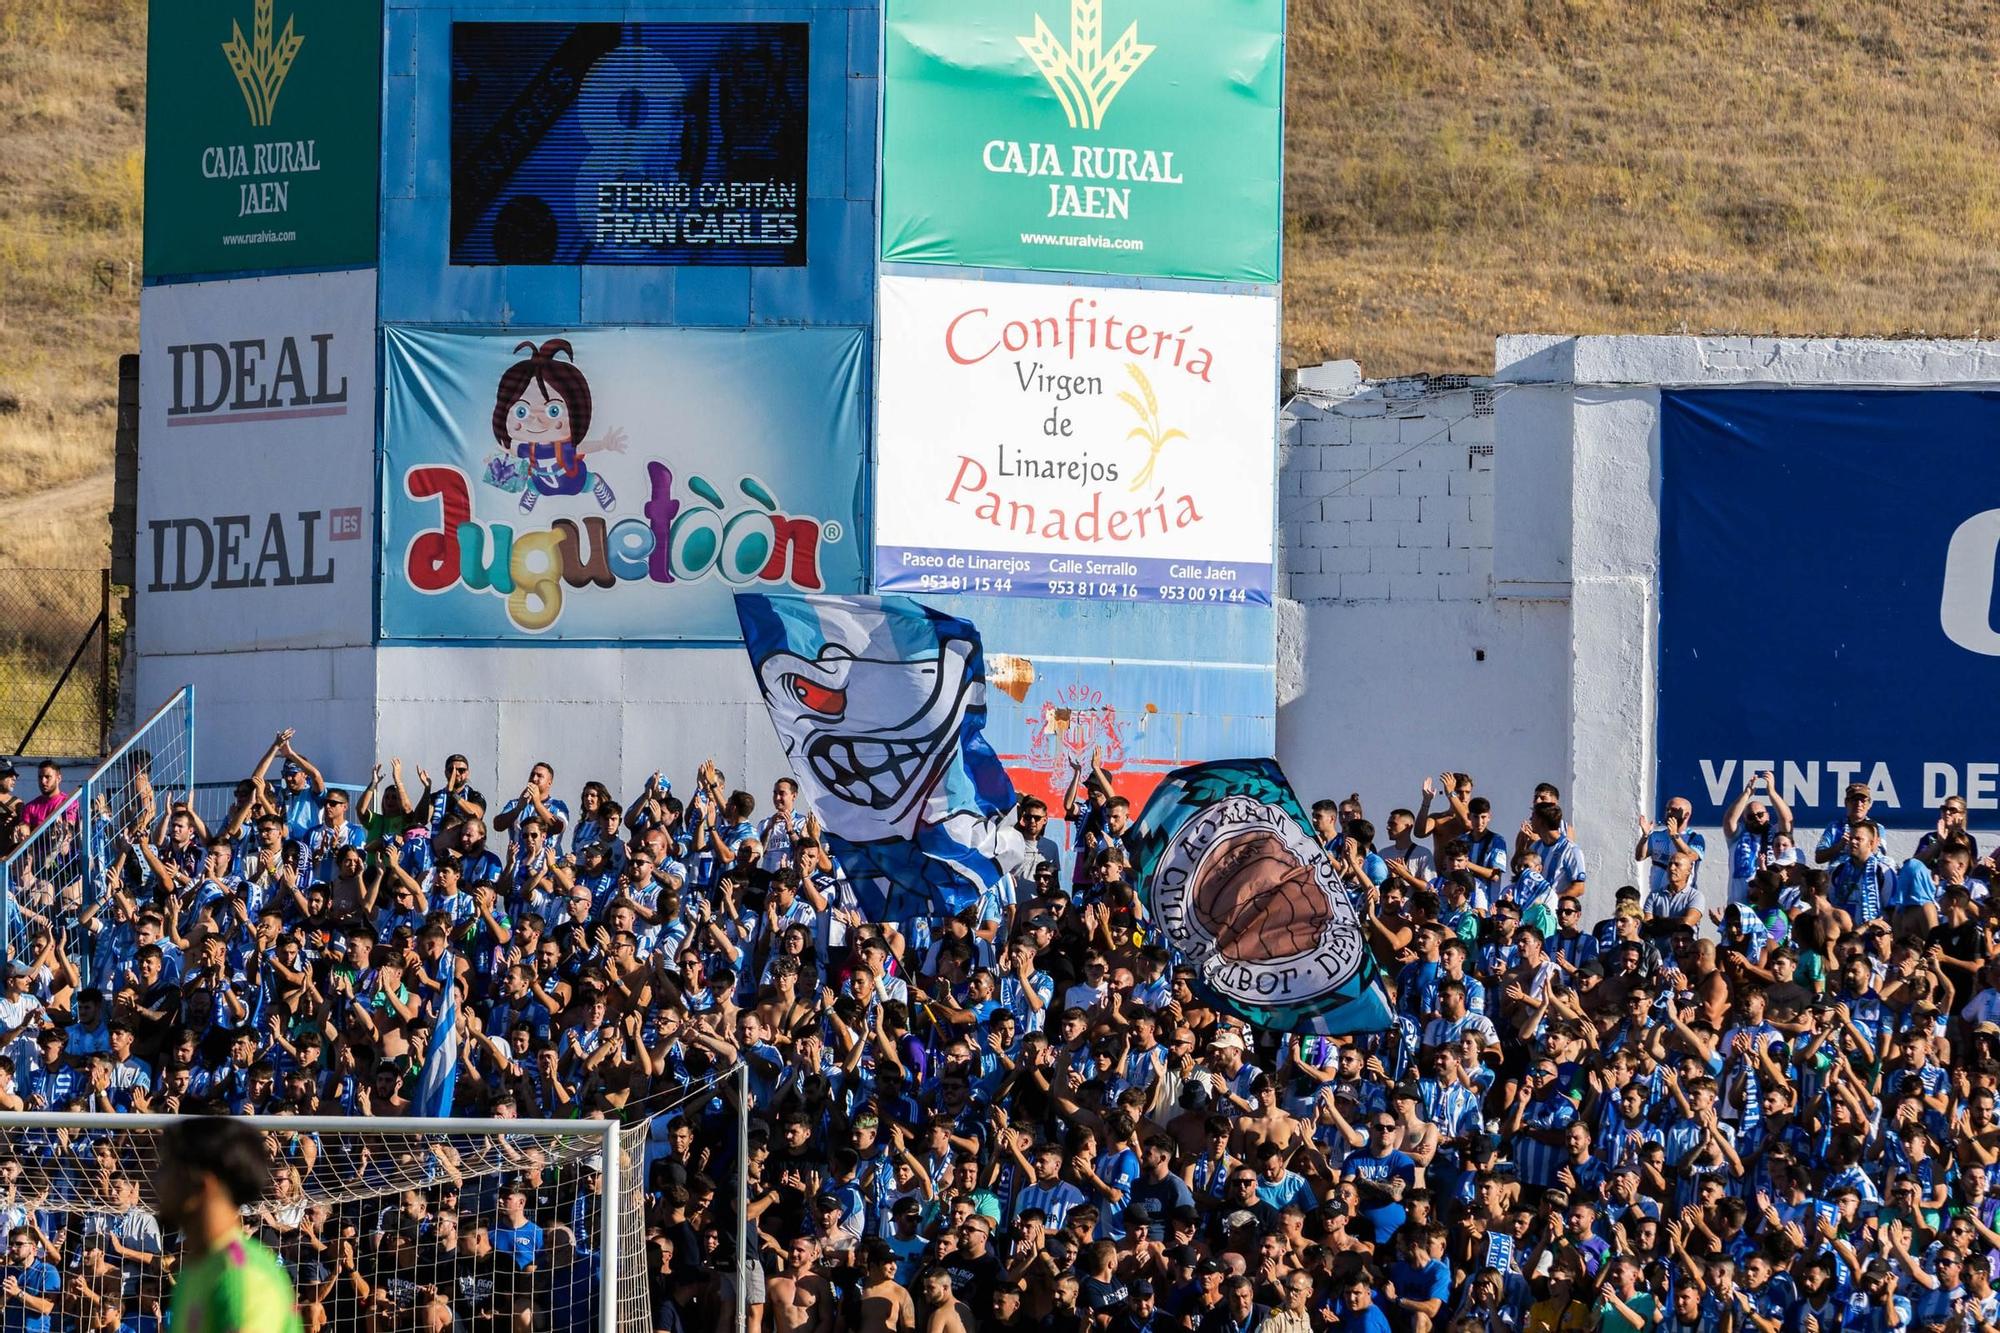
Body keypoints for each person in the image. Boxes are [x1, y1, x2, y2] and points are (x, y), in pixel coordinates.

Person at [151, 1116, 301, 1333]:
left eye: (166, 1169)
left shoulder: (244, 1276)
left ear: (203, 1184)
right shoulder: (195, 1271)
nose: (157, 1181)